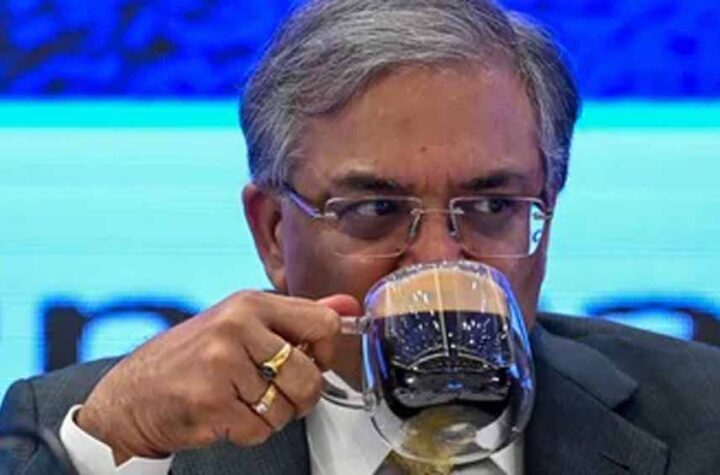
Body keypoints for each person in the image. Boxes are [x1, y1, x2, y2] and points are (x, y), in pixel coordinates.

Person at [2, 0, 720, 473]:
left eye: (492, 206)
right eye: (376, 208)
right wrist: (114, 451)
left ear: (548, 211)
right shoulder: (102, 433)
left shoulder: (703, 415)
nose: (439, 262)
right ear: (273, 232)